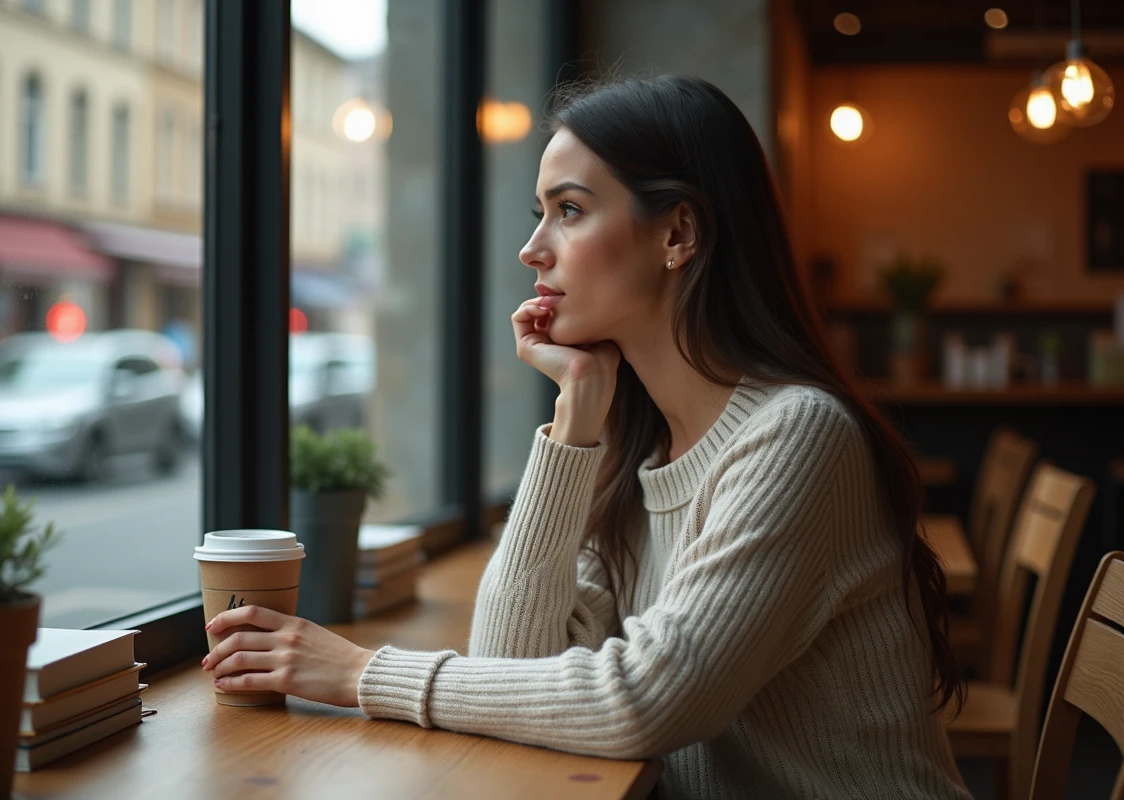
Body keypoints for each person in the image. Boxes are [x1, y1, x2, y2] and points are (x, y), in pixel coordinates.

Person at [201, 75, 972, 799]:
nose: (532, 250)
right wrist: (575, 418)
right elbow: (513, 662)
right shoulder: (645, 445)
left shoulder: (797, 436)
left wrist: (362, 673)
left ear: (678, 232)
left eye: (568, 210)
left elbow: (645, 702)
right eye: (540, 213)